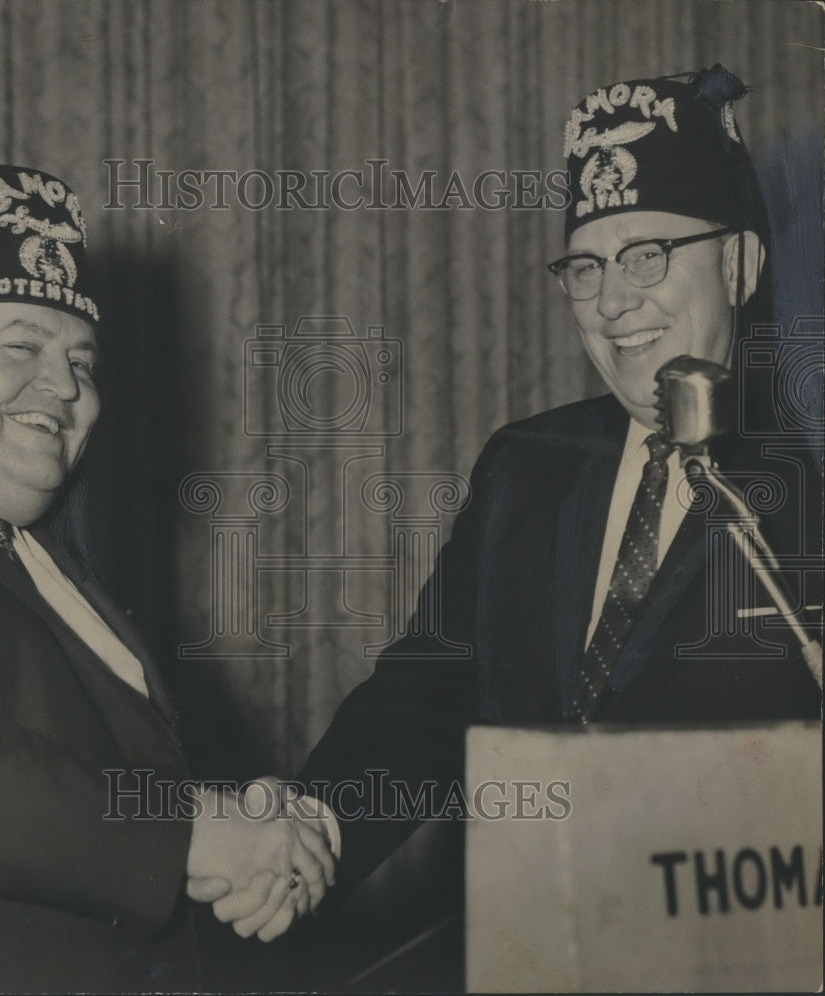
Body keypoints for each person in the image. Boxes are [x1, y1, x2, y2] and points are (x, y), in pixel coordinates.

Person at [298, 66, 822, 891]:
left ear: (741, 266)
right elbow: (427, 696)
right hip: (532, 936)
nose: (613, 301)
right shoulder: (526, 465)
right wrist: (311, 831)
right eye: (584, 268)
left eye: (647, 257)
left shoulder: (814, 469)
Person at [0, 164, 335, 994]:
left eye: (82, 359)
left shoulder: (41, 558)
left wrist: (243, 826)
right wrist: (195, 834)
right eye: (21, 345)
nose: (65, 386)